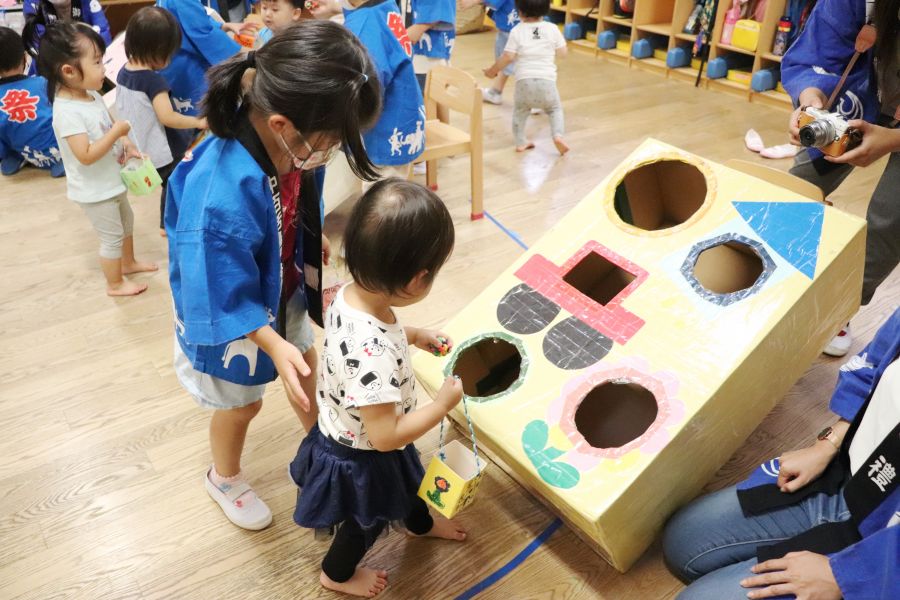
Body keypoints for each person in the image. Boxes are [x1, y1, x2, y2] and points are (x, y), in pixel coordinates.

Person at [166, 20, 382, 531]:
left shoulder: (284, 144)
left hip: (278, 283)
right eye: (330, 142)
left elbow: (295, 197)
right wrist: (269, 340)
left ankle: (326, 452)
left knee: (305, 368)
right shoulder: (219, 194)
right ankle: (224, 477)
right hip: (232, 314)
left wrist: (309, 234)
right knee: (242, 405)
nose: (329, 153)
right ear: (284, 123)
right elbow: (214, 286)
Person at [289, 178, 466, 598]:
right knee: (364, 523)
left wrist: (415, 335)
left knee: (409, 480)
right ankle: (336, 573)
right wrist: (441, 405)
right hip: (363, 453)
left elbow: (375, 337)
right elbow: (386, 437)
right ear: (417, 280)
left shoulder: (352, 293)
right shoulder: (373, 353)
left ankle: (419, 524)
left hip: (365, 432)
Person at [662, 308, 900, 600]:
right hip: (858, 480)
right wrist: (829, 443)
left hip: (886, 557)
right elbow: (873, 363)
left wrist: (848, 577)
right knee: (684, 539)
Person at [783, 0, 900, 356]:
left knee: (891, 218)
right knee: (801, 186)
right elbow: (815, 54)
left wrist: (893, 139)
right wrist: (810, 101)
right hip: (865, 85)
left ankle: (837, 307)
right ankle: (772, 280)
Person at [40, 22, 156, 297]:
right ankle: (114, 284)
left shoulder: (91, 94)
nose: (104, 68)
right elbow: (86, 155)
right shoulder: (67, 112)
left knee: (126, 222)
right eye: (96, 62)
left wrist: (125, 142)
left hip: (111, 180)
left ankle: (128, 263)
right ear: (68, 71)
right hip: (94, 191)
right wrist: (116, 133)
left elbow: (108, 122)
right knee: (112, 237)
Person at [116, 7, 208, 235]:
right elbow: (168, 117)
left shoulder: (123, 72)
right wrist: (198, 122)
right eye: (169, 53)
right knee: (176, 181)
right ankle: (169, 224)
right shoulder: (153, 82)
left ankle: (166, 223)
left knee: (169, 183)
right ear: (156, 51)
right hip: (161, 149)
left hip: (139, 144)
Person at [313, 0, 426, 182]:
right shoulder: (384, 6)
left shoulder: (365, 23)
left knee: (381, 193)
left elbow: (365, 86)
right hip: (401, 114)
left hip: (383, 131)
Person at [483, 0, 568, 155]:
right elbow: (563, 54)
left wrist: (492, 71)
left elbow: (507, 57)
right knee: (555, 109)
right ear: (546, 10)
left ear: (520, 12)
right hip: (547, 82)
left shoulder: (517, 31)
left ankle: (521, 142)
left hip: (524, 83)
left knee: (520, 112)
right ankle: (557, 136)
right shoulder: (552, 29)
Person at [155, 0, 256, 118]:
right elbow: (202, 32)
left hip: (176, 58)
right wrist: (244, 55)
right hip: (187, 65)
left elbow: (197, 18)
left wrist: (223, 26)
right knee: (200, 115)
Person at [0, 26, 64, 177]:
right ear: (24, 58)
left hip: (29, 154)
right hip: (62, 150)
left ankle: (15, 156)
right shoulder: (42, 83)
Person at [22, 0, 111, 76]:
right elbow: (40, 44)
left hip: (88, 65)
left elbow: (103, 34)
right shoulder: (32, 3)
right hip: (48, 71)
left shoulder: (87, 2)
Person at [480, 0, 519, 105]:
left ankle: (533, 98)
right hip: (527, 25)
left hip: (508, 28)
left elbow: (493, 2)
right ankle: (496, 91)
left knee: (506, 61)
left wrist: (474, 2)